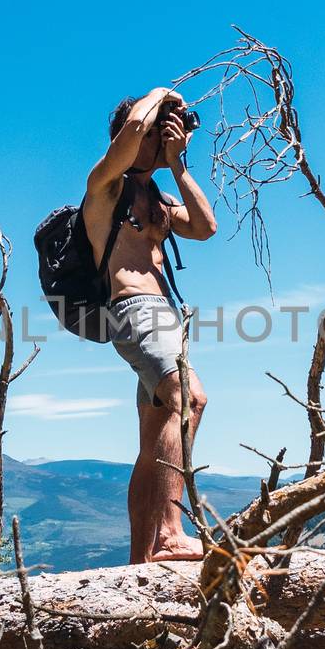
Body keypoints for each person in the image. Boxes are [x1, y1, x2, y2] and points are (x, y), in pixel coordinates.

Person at [83, 87, 217, 563]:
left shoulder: (157, 198)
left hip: (164, 318)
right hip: (134, 309)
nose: (169, 134)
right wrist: (161, 94)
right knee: (189, 397)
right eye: (164, 126)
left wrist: (180, 166)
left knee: (158, 426)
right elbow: (132, 131)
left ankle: (141, 561)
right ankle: (169, 533)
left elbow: (205, 226)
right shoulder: (107, 185)